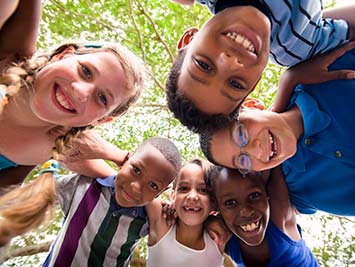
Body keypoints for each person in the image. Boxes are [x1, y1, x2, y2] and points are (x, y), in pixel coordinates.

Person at [200, 26, 355, 220]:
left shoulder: (325, 74)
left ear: (251, 105)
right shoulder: (292, 190)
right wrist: (289, 80)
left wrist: (291, 78)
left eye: (241, 135)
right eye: (243, 161)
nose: (256, 151)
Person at [166, 0, 355, 133]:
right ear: (255, 81)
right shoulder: (296, 46)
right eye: (236, 84)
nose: (230, 62)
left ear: (189, 39)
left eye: (203, 65)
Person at [0, 0, 146, 187]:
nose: (80, 91)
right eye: (86, 71)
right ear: (63, 55)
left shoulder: (50, 147)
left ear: (100, 120)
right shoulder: (11, 55)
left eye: (102, 98)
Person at [6, 136, 181, 267]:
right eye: (136, 170)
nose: (136, 187)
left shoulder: (149, 220)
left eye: (152, 185)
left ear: (161, 192)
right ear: (125, 161)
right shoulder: (84, 186)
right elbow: (62, 144)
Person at [206, 166, 319, 266]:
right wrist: (209, 221)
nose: (246, 211)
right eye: (230, 202)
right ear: (216, 206)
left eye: (254, 195)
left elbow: (275, 162)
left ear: (266, 193)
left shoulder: (279, 216)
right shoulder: (223, 237)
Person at [146, 158, 224, 267]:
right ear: (173, 196)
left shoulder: (219, 236)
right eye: (184, 188)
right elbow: (132, 180)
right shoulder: (162, 222)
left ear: (213, 200)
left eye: (203, 190)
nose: (192, 197)